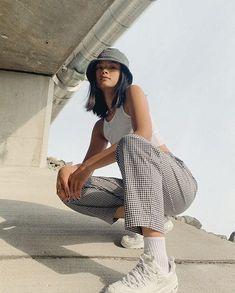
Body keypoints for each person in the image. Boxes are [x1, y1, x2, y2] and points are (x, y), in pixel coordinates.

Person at [56, 47, 198, 293]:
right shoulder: (101, 127)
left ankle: (160, 270)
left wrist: (86, 165)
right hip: (144, 189)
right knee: (73, 190)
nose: (104, 71)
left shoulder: (133, 93)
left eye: (112, 67)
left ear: (123, 74)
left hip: (176, 183)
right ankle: (152, 220)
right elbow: (85, 172)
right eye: (99, 67)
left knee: (132, 142)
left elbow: (142, 134)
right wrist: (68, 170)